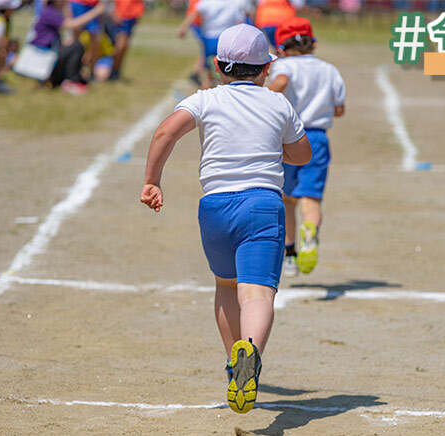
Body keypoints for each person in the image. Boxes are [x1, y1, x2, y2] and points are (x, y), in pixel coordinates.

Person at [140, 24, 310, 414]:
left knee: (225, 286)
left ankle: (236, 366)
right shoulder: (277, 104)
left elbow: (166, 132)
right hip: (262, 206)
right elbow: (301, 155)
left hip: (214, 207)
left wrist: (152, 181)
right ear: (266, 68)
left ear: (218, 66)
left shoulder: (204, 100)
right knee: (257, 293)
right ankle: (250, 351)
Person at [269, 17, 345, 277]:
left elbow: (279, 85)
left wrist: (267, 101)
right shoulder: (329, 70)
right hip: (318, 138)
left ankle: (289, 254)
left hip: (287, 137)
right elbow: (339, 109)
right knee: (311, 198)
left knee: (286, 198)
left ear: (280, 48)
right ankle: (309, 232)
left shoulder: (284, 66)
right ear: (313, 44)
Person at [28, 0, 105, 93]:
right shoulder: (50, 12)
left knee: (72, 46)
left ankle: (69, 78)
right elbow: (73, 24)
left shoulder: (51, 12)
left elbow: (69, 21)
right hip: (43, 57)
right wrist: (95, 12)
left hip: (46, 56)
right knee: (77, 46)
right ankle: (71, 80)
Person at [177, 0, 246, 89]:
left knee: (207, 73)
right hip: (227, 40)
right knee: (226, 72)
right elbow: (240, 22)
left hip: (210, 39)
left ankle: (207, 93)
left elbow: (194, 13)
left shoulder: (207, 2)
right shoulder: (234, 3)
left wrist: (183, 28)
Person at [108, 0, 144, 81]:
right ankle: (112, 71)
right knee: (119, 46)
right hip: (121, 14)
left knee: (124, 46)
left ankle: (117, 71)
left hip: (131, 15)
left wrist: (138, 14)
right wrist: (113, 10)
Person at [69, 0, 100, 78]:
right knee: (75, 40)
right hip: (78, 3)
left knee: (95, 42)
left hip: (94, 5)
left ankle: (92, 73)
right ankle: (72, 71)